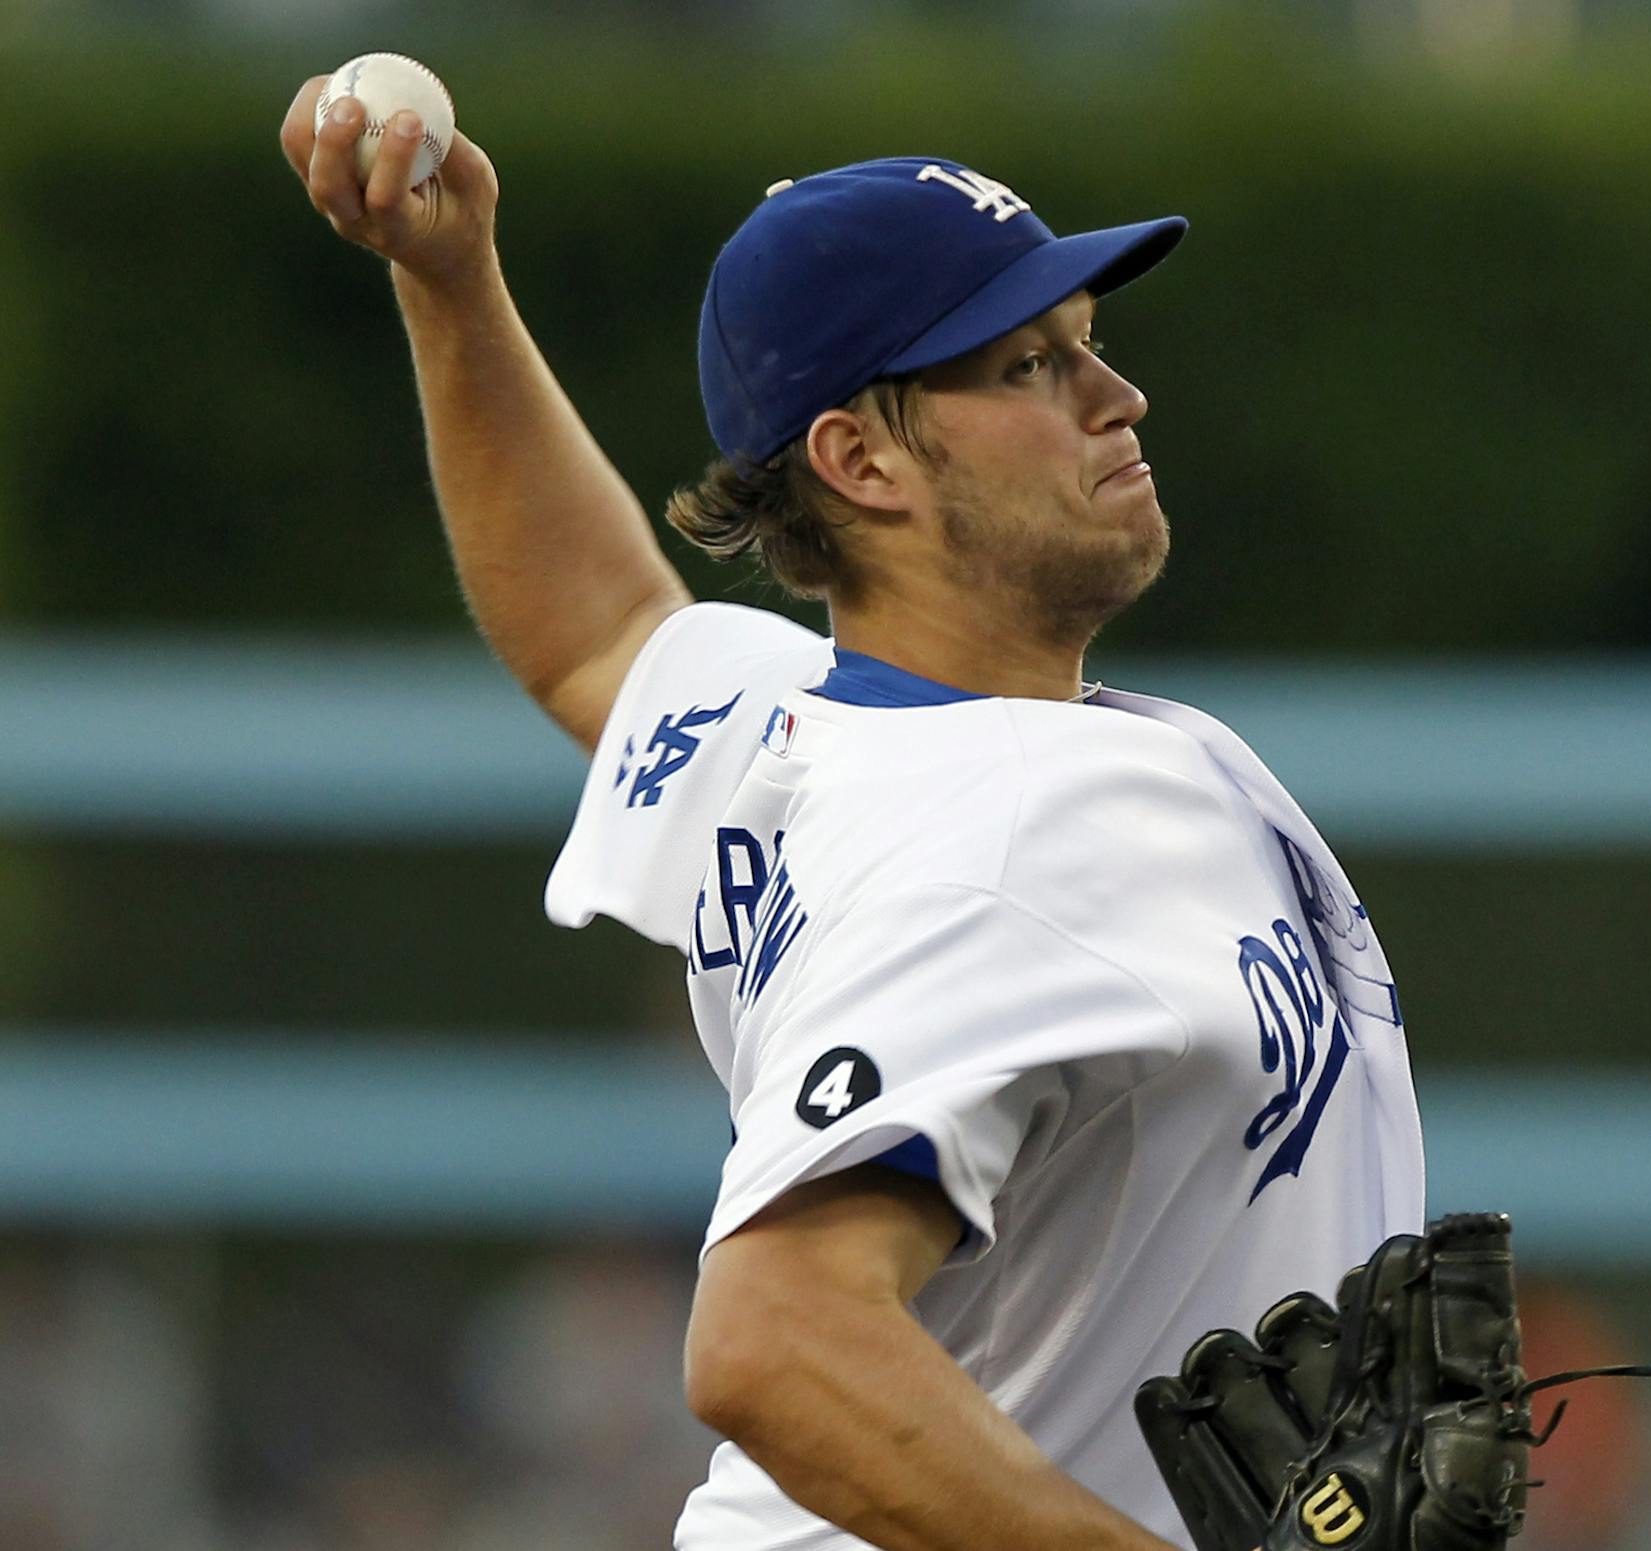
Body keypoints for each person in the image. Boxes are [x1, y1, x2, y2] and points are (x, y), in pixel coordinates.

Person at [281, 79, 1426, 1551]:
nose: (1113, 398)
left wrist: (451, 283)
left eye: (1089, 346)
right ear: (861, 461)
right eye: (1025, 367)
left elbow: (596, 635)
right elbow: (774, 1343)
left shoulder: (799, 728)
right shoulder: (993, 843)